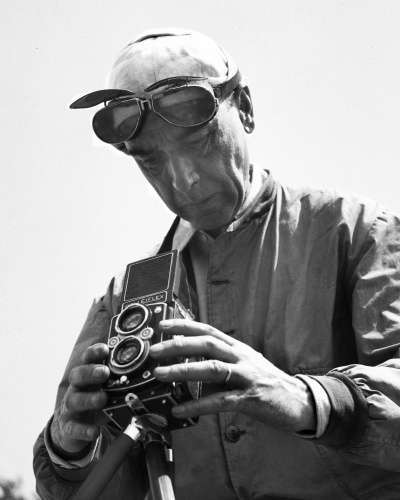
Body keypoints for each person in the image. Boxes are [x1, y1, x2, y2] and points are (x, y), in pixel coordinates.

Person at [33, 29, 400, 499]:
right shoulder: (125, 299)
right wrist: (70, 447)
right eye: (151, 161)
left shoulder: (356, 231)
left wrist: (309, 400)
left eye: (199, 142)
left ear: (244, 107)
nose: (183, 179)